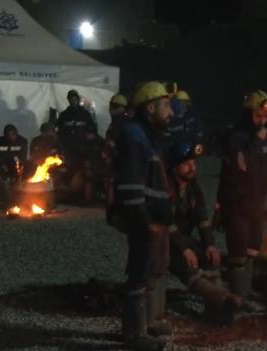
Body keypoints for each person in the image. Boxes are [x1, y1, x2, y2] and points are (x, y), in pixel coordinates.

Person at [108, 81, 174, 351]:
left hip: (153, 220)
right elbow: (132, 187)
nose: (172, 112)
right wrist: (144, 222)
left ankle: (144, 325)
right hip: (143, 219)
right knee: (138, 272)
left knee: (149, 270)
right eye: (167, 105)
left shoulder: (148, 135)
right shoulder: (136, 136)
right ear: (151, 108)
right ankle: (135, 336)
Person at [167, 142, 241, 325]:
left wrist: (210, 244)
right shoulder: (166, 187)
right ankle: (222, 297)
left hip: (181, 239)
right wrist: (184, 249)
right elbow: (166, 223)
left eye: (194, 162)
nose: (192, 167)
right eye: (187, 164)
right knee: (187, 264)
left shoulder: (193, 187)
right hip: (162, 240)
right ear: (175, 166)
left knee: (209, 257)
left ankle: (218, 312)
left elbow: (203, 219)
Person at [217, 89, 267, 304]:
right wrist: (254, 140)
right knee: (238, 248)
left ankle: (246, 289)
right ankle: (236, 295)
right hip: (237, 201)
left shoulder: (264, 135)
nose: (262, 120)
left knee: (253, 246)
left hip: (256, 201)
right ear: (248, 114)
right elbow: (241, 164)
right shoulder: (237, 135)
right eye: (258, 115)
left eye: (266, 116)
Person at [57, 90, 96, 187]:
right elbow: (59, 132)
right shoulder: (64, 115)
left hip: (82, 147)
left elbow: (92, 130)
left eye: (75, 99)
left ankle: (81, 191)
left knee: (82, 169)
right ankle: (69, 189)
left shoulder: (85, 114)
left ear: (78, 99)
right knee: (69, 168)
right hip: (68, 148)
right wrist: (61, 147)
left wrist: (89, 143)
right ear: (69, 100)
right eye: (71, 99)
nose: (73, 101)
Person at [105, 93, 131, 207]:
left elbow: (114, 141)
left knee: (113, 180)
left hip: (119, 157)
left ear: (120, 108)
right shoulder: (118, 121)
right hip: (118, 156)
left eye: (113, 106)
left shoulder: (120, 122)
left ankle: (114, 203)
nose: (110, 109)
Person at [0, 124, 28, 206]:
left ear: (16, 134)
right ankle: (3, 199)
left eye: (13, 134)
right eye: (8, 135)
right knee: (0, 181)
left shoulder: (22, 141)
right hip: (3, 167)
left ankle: (20, 199)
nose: (11, 137)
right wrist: (0, 164)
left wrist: (19, 167)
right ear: (5, 135)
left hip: (17, 167)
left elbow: (23, 158)